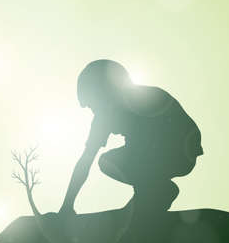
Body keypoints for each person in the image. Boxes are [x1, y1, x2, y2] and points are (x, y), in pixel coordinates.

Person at [59, 59, 203, 215]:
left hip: (180, 151)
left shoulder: (144, 98)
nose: (94, 110)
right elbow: (86, 160)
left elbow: (177, 132)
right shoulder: (103, 117)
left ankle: (156, 193)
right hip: (165, 153)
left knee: (130, 153)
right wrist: (67, 206)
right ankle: (157, 191)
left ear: (105, 93)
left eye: (94, 104)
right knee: (109, 161)